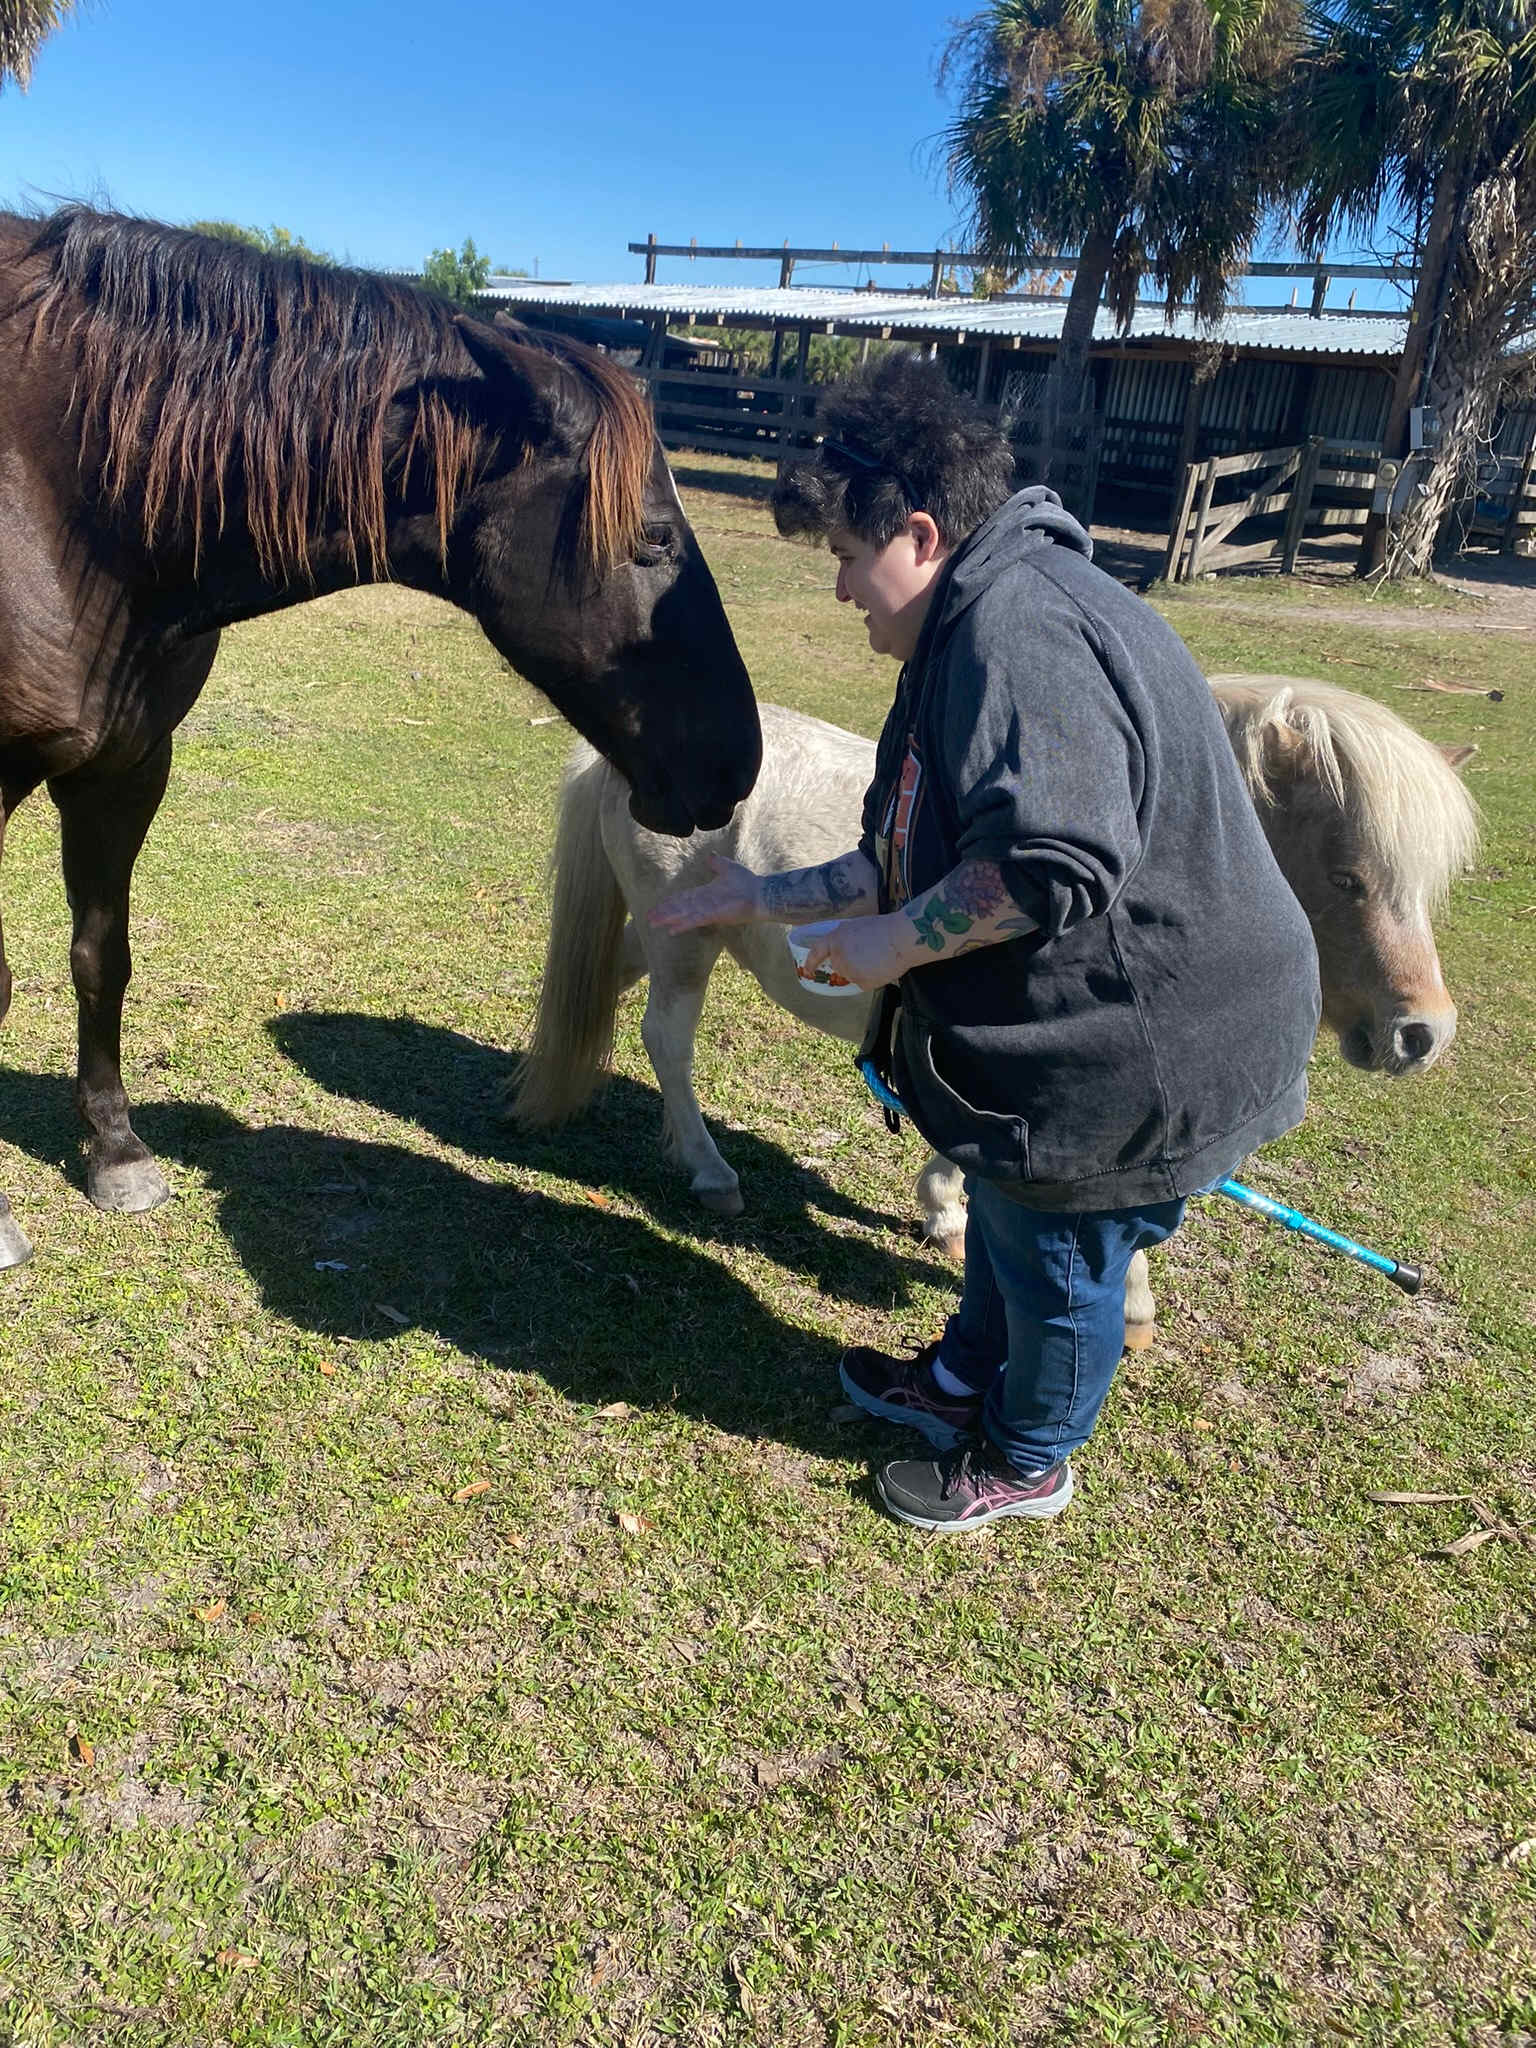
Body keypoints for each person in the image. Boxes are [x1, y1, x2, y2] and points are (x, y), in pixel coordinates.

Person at [650, 354, 1320, 1534]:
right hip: (1093, 1022)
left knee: (1062, 1258)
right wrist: (755, 894)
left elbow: (1048, 864)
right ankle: (961, 1378)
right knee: (1009, 1208)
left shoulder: (1023, 630)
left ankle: (1028, 1456)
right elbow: (896, 851)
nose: (843, 590)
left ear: (916, 533)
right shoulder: (953, 635)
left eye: (848, 562)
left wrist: (894, 946)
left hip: (1149, 1040)